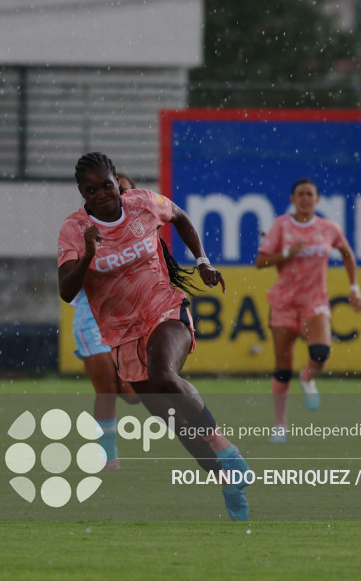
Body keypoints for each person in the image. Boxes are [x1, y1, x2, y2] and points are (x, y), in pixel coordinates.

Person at [57, 151, 251, 521]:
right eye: (91, 189)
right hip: (121, 332)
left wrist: (203, 261)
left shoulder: (144, 203)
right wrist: (87, 255)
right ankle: (226, 482)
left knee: (164, 374)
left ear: (118, 181)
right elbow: (66, 291)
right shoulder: (74, 229)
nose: (101, 194)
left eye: (107, 185)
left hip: (163, 307)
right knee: (174, 421)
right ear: (82, 192)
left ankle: (225, 447)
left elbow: (179, 216)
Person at [255, 178, 361, 443]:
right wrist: (287, 253)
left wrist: (354, 288)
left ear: (317, 199)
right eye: (300, 194)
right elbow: (260, 261)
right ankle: (280, 424)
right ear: (292, 199)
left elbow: (347, 253)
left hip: (315, 302)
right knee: (282, 367)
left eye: (310, 194)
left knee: (320, 353)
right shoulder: (281, 225)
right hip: (283, 303)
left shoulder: (328, 228)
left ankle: (307, 376)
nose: (305, 198)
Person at [69, 173, 139, 469]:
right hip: (92, 319)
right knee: (107, 390)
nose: (116, 195)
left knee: (133, 394)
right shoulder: (83, 230)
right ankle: (108, 457)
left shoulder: (141, 229)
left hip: (127, 321)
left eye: (123, 190)